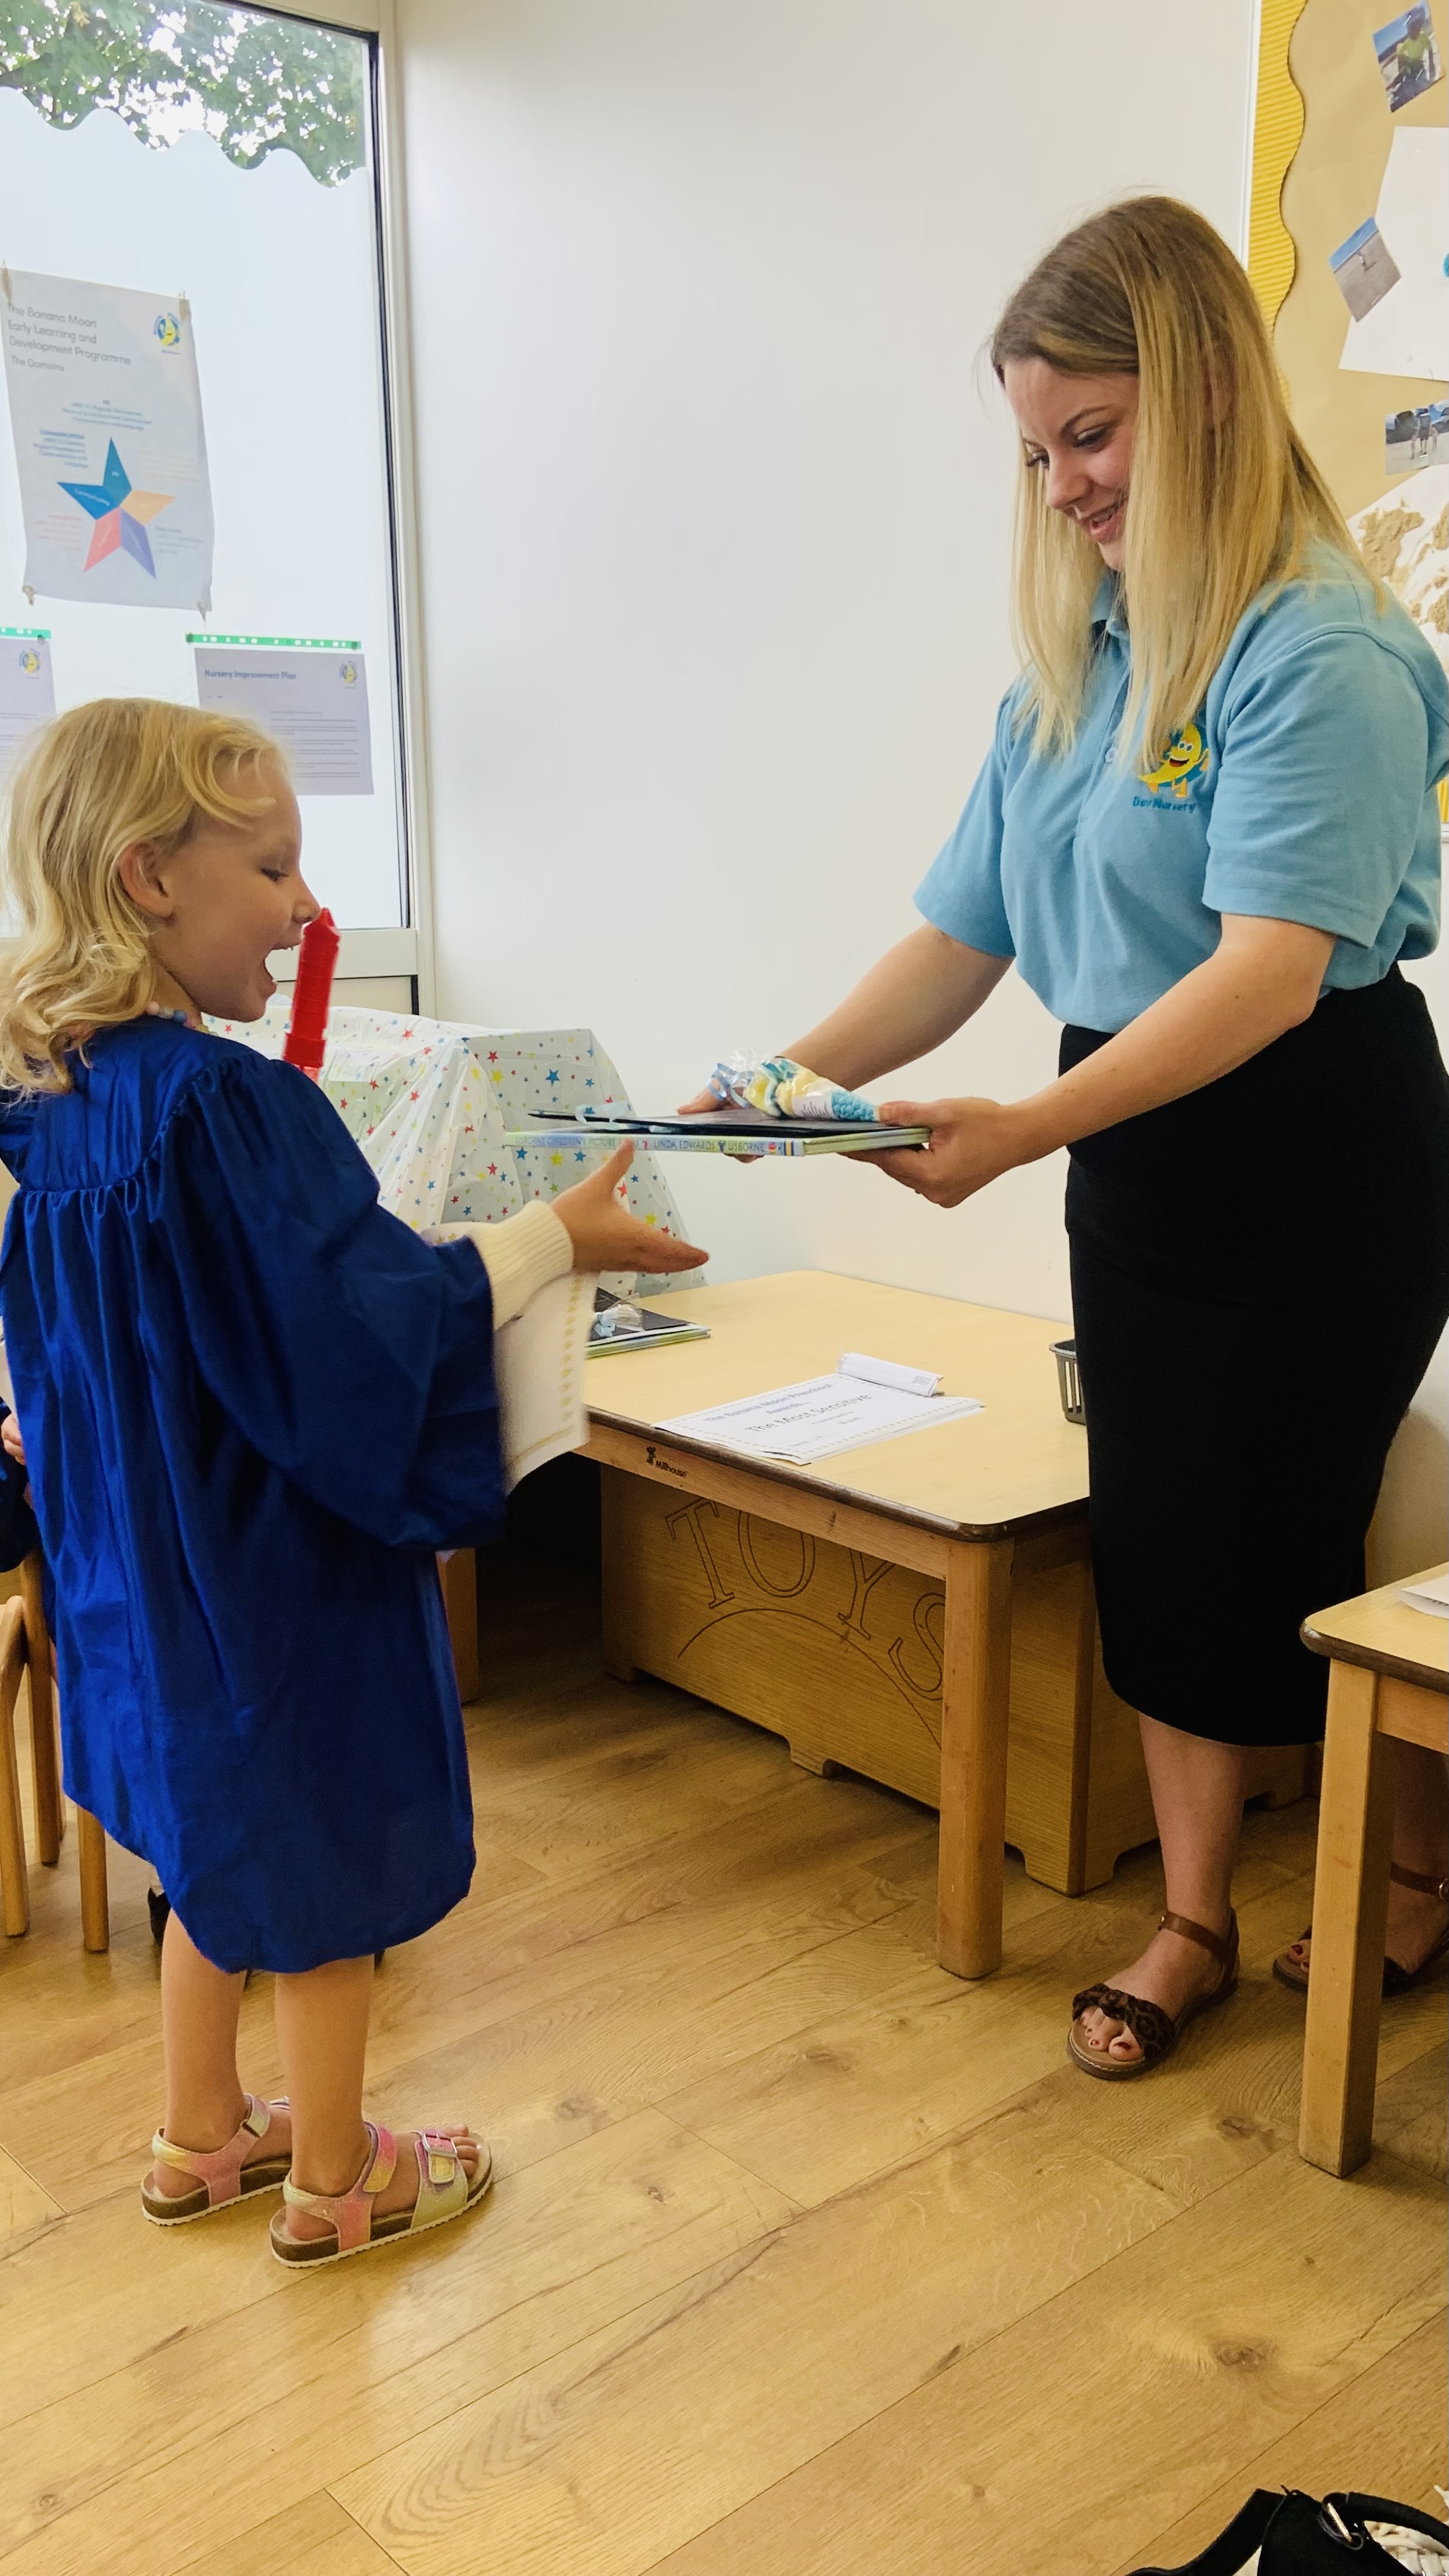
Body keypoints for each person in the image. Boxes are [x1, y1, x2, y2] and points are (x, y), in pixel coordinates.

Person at [687, 196, 1449, 2076]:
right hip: (1142, 1154)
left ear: (1195, 397)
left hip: (1314, 1153)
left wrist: (1022, 1127)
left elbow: (1268, 979)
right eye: (1034, 452)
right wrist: (765, 1089)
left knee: (1289, 1531)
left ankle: (1414, 1867)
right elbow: (960, 936)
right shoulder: (1080, 657)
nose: (1060, 490)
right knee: (1169, 1544)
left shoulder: (1319, 654)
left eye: (1087, 437)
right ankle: (1195, 1916)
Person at [0, 698, 707, 2261]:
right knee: (313, 1853)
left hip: (138, 1570)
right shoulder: (227, 1106)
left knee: (200, 1836)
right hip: (266, 1570)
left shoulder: (55, 1104)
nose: (310, 906)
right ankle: (338, 2174)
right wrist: (554, 1241)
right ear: (148, 878)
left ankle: (200, 2132)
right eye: (272, 865)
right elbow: (360, 1323)